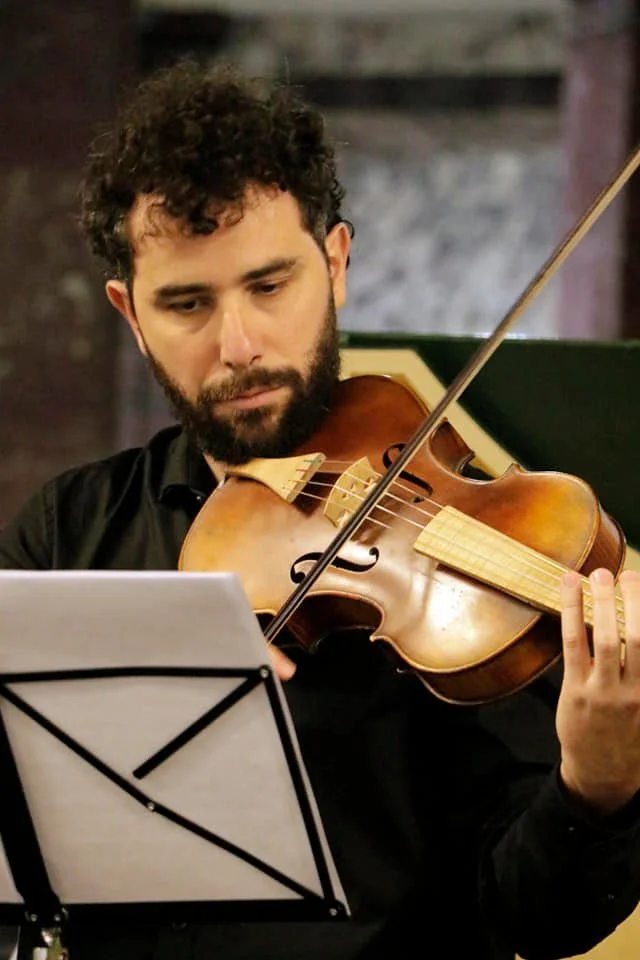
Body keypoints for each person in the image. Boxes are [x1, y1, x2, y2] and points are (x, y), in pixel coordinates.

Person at [2, 57, 640, 960]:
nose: (239, 345)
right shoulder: (70, 531)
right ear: (130, 314)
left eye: (270, 286)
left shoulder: (464, 579)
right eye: (186, 304)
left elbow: (531, 916)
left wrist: (597, 786)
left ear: (335, 263)